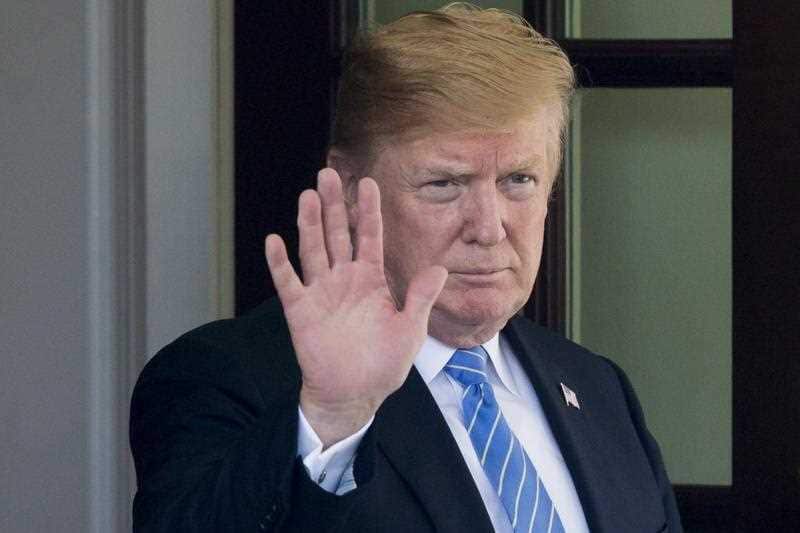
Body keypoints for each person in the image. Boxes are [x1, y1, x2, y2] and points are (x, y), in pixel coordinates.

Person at [130, 4, 682, 532]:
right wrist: (333, 416)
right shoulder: (227, 379)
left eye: (519, 180)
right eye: (444, 184)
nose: (488, 227)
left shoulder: (598, 388)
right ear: (348, 190)